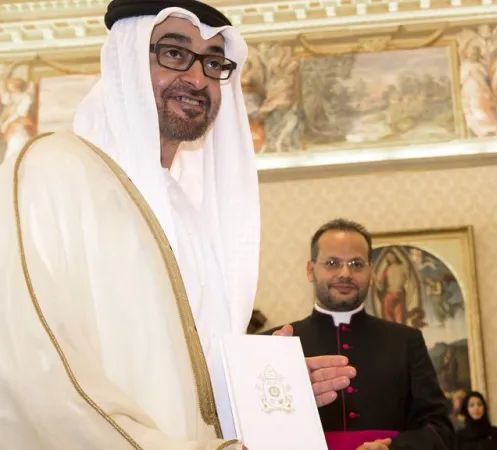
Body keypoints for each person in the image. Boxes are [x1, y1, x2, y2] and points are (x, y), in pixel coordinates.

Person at [0, 1, 354, 448]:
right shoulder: (53, 170)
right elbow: (38, 369)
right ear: (125, 60)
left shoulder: (185, 213)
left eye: (213, 61)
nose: (198, 78)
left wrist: (258, 394)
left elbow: (185, 391)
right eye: (172, 52)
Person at [265, 218, 455, 450]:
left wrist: (393, 449)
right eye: (332, 263)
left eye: (356, 264)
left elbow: (439, 428)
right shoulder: (273, 344)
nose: (345, 273)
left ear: (371, 272)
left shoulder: (406, 341)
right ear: (310, 270)